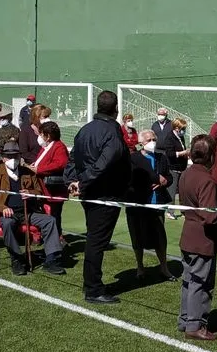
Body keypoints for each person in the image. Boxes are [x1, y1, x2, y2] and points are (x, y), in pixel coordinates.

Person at [66, 90, 131, 304]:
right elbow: (105, 162)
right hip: (104, 193)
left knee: (95, 239)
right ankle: (93, 289)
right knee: (96, 241)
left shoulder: (85, 130)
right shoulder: (112, 132)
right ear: (116, 109)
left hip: (91, 191)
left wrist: (73, 180)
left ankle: (92, 284)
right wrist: (81, 181)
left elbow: (73, 158)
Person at [0, 141, 65, 275]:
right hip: (7, 214)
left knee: (50, 221)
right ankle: (16, 259)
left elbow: (39, 192)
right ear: (3, 158)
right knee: (8, 224)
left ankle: (51, 260)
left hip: (28, 212)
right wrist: (2, 207)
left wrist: (31, 193)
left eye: (15, 156)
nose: (13, 159)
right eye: (9, 156)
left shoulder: (28, 172)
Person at [177, 134, 217, 341]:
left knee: (189, 281)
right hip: (202, 239)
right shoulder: (206, 179)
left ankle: (186, 320)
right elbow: (210, 216)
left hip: (188, 234)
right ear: (211, 156)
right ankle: (195, 325)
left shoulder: (186, 174)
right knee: (200, 282)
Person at [125, 130, 177, 280]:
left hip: (157, 204)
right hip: (138, 203)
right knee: (137, 236)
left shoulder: (161, 157)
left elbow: (169, 177)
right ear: (141, 142)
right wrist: (150, 181)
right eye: (148, 140)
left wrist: (165, 182)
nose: (152, 142)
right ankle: (140, 267)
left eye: (154, 139)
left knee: (160, 237)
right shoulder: (133, 158)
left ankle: (164, 267)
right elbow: (129, 180)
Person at [27, 121, 70, 238]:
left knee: (54, 215)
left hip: (54, 190)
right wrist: (35, 165)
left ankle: (57, 238)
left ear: (48, 136)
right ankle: (45, 236)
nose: (39, 137)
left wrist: (39, 169)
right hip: (43, 189)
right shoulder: (46, 147)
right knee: (45, 214)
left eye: (41, 134)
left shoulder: (59, 147)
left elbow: (60, 164)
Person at [162, 117, 190, 219]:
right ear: (177, 128)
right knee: (172, 192)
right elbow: (169, 153)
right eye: (183, 129)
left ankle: (184, 211)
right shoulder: (169, 137)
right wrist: (182, 153)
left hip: (182, 168)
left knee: (183, 191)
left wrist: (186, 154)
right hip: (173, 168)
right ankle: (170, 211)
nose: (184, 131)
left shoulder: (180, 137)